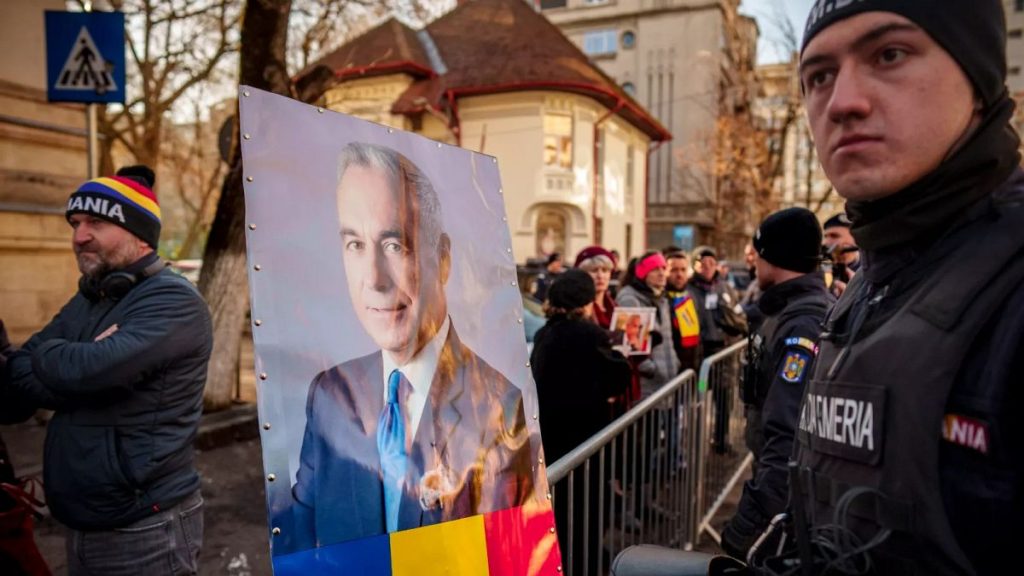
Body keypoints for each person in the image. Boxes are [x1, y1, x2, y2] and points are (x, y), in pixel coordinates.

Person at [778, 1, 1024, 573]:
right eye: (819, 76)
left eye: (890, 54)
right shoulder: (875, 279)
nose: (842, 103)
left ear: (979, 81)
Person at [289, 142, 534, 549]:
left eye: (394, 245)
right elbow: (303, 534)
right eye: (355, 244)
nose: (375, 279)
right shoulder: (329, 393)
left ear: (443, 259)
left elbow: (503, 554)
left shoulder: (498, 405)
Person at [2, 166, 212, 576]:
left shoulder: (173, 300)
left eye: (96, 222)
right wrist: (67, 365)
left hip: (145, 527)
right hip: (84, 522)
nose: (79, 236)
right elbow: (22, 375)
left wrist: (60, 361)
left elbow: (88, 372)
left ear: (138, 233)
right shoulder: (92, 296)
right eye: (76, 223)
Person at [721, 208, 833, 561]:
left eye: (757, 252)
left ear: (774, 256)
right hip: (778, 485)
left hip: (783, 498)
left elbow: (787, 433)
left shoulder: (802, 323)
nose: (752, 261)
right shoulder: (785, 312)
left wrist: (750, 523)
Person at [532, 270, 631, 576]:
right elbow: (616, 378)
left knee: (560, 508)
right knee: (587, 509)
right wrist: (621, 357)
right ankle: (582, 560)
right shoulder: (589, 334)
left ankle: (565, 558)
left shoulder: (544, 333)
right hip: (585, 436)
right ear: (585, 301)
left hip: (552, 435)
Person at [688, 246, 747, 453]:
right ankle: (694, 443)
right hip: (701, 355)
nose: (707, 268)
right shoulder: (688, 289)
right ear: (694, 265)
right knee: (699, 398)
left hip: (724, 353)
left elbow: (739, 314)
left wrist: (732, 320)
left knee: (724, 401)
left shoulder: (725, 287)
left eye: (711, 263)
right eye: (702, 264)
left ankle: (721, 440)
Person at [615, 251, 680, 398]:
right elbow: (627, 343)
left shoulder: (661, 297)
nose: (662, 273)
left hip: (666, 380)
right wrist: (651, 369)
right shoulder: (629, 299)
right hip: (647, 385)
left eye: (664, 268)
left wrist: (674, 362)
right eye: (655, 269)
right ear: (643, 273)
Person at [664, 251, 701, 373]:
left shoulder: (691, 296)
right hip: (671, 372)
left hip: (692, 369)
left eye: (683, 270)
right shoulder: (661, 300)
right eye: (674, 270)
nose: (679, 274)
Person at [574, 245, 617, 329]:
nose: (600, 276)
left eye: (605, 270)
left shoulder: (615, 307)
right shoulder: (577, 309)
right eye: (594, 270)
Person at [821, 212, 859, 297]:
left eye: (834, 236)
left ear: (854, 238)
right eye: (826, 236)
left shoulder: (867, 271)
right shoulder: (822, 268)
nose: (826, 242)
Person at [740, 243, 765, 332]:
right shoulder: (749, 274)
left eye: (751, 254)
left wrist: (741, 310)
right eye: (746, 254)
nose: (747, 258)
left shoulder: (764, 278)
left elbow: (762, 307)